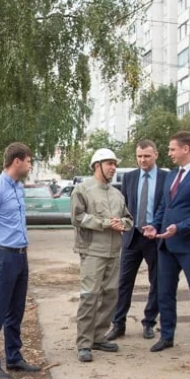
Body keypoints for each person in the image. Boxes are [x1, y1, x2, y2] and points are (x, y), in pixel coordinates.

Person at [144, 131, 190, 358]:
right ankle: (166, 335)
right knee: (165, 293)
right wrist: (154, 226)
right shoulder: (172, 174)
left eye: (172, 149)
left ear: (186, 149)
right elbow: (164, 207)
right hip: (166, 246)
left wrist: (181, 227)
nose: (169, 153)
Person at [0, 142, 42, 379]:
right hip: (3, 256)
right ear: (17, 161)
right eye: (29, 160)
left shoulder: (17, 187)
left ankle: (14, 357)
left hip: (20, 255)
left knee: (16, 309)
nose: (30, 165)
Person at [71, 148, 133, 363]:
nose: (113, 168)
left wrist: (122, 224)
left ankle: (98, 336)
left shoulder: (117, 194)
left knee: (110, 294)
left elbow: (128, 218)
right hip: (92, 251)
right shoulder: (82, 190)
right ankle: (84, 343)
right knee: (90, 296)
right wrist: (105, 223)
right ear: (97, 165)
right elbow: (77, 217)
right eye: (109, 164)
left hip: (113, 252)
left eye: (114, 164)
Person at [106, 139, 167, 342]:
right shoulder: (130, 177)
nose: (143, 160)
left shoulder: (166, 177)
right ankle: (118, 323)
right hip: (132, 237)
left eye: (147, 156)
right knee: (123, 282)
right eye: (139, 156)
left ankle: (149, 322)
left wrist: (158, 228)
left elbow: (167, 207)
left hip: (155, 238)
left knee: (156, 281)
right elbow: (124, 204)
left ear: (156, 155)